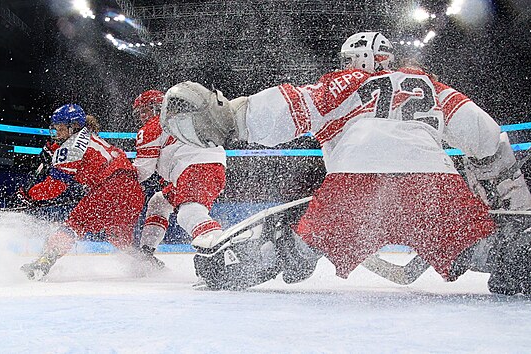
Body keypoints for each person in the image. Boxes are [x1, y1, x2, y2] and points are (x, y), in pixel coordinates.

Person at [159, 31, 531, 295]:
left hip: (356, 186)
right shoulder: (430, 85)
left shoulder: (345, 83)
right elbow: (485, 136)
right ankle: (515, 260)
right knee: (481, 249)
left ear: (359, 59)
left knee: (299, 249)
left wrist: (231, 116)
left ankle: (239, 266)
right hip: (433, 184)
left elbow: (291, 106)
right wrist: (514, 197)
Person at [18, 103, 146, 280]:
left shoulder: (69, 148)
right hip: (133, 191)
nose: (57, 134)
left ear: (74, 127)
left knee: (74, 226)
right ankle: (147, 264)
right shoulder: (89, 135)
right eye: (55, 129)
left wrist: (29, 194)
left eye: (61, 129)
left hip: (109, 189)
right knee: (118, 235)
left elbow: (55, 187)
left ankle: (44, 262)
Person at [132, 90, 227, 264]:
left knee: (188, 212)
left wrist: (120, 179)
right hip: (207, 166)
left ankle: (217, 247)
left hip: (195, 168)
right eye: (139, 113)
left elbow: (142, 171)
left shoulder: (153, 127)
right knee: (159, 202)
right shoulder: (183, 119)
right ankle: (146, 253)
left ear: (157, 108)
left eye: (144, 110)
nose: (141, 116)